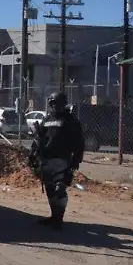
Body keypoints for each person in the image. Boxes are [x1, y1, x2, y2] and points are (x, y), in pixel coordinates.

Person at [29, 92, 84, 230]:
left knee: (60, 189)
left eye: (58, 103)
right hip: (46, 159)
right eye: (53, 103)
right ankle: (54, 216)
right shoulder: (47, 119)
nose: (55, 106)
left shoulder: (71, 121)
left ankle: (59, 218)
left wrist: (75, 162)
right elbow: (38, 138)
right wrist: (32, 154)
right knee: (50, 189)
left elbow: (79, 144)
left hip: (62, 160)